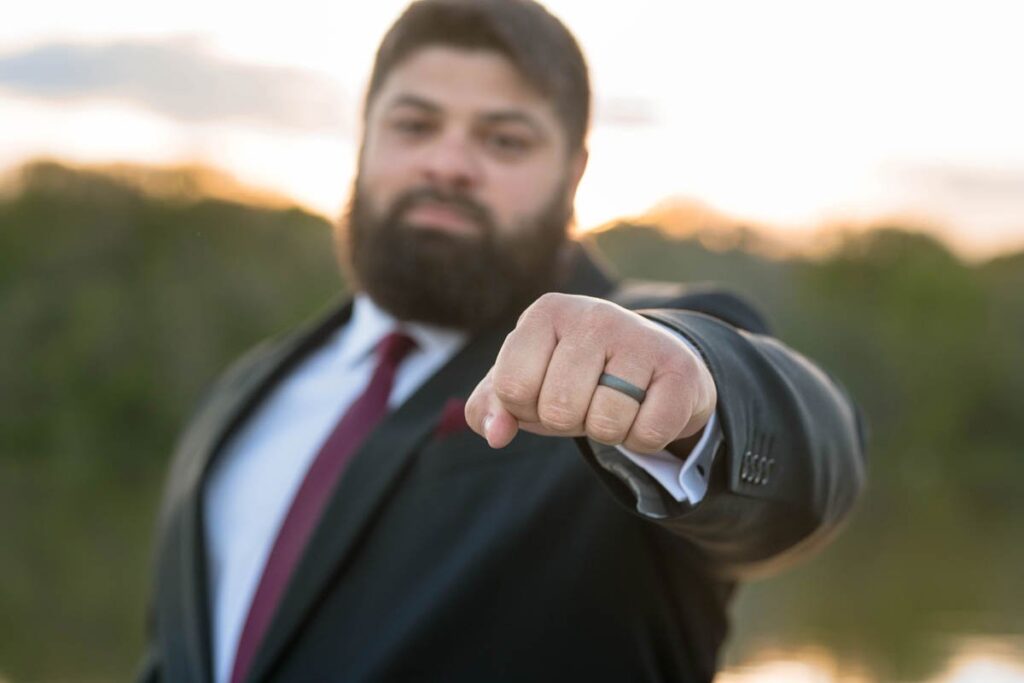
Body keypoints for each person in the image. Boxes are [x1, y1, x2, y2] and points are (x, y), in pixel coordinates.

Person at [138, 0, 867, 681]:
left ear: (572, 176)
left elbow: (810, 463)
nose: (449, 162)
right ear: (363, 142)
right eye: (415, 125)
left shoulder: (637, 354)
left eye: (504, 139)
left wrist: (698, 395)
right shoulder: (247, 391)